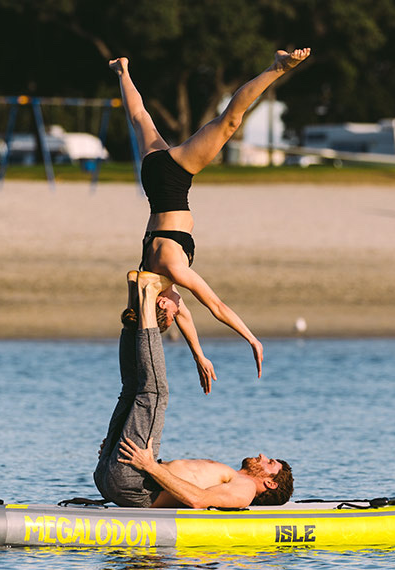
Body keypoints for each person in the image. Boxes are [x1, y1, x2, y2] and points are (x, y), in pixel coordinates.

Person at [109, 48, 311, 388]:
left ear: (162, 303)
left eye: (172, 313)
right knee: (140, 118)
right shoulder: (149, 277)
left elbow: (215, 306)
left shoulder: (173, 270)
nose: (179, 309)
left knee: (229, 122)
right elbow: (186, 319)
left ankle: (276, 67)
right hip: (153, 180)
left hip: (174, 176)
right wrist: (199, 355)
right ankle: (121, 71)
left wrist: (251, 338)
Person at [94, 270, 293, 508]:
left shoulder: (245, 491)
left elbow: (198, 500)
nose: (262, 455)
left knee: (154, 394)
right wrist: (119, 451)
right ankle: (135, 293)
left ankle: (147, 296)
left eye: (269, 463)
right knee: (132, 390)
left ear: (271, 484)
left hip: (132, 481)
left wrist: (149, 466)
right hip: (118, 473)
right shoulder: (232, 476)